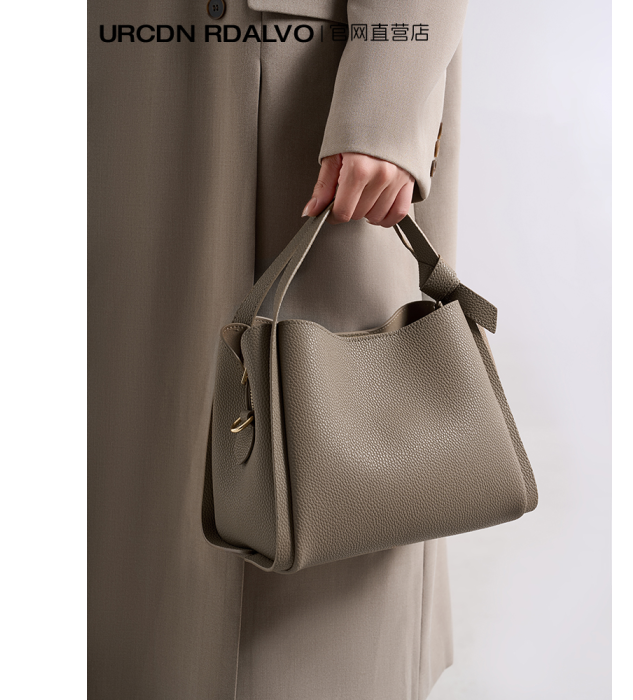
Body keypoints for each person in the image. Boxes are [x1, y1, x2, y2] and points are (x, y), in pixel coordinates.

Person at [89, 1, 469, 697]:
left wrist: (386, 103)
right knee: (130, 464)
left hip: (292, 80)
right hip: (119, 74)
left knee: (314, 481)